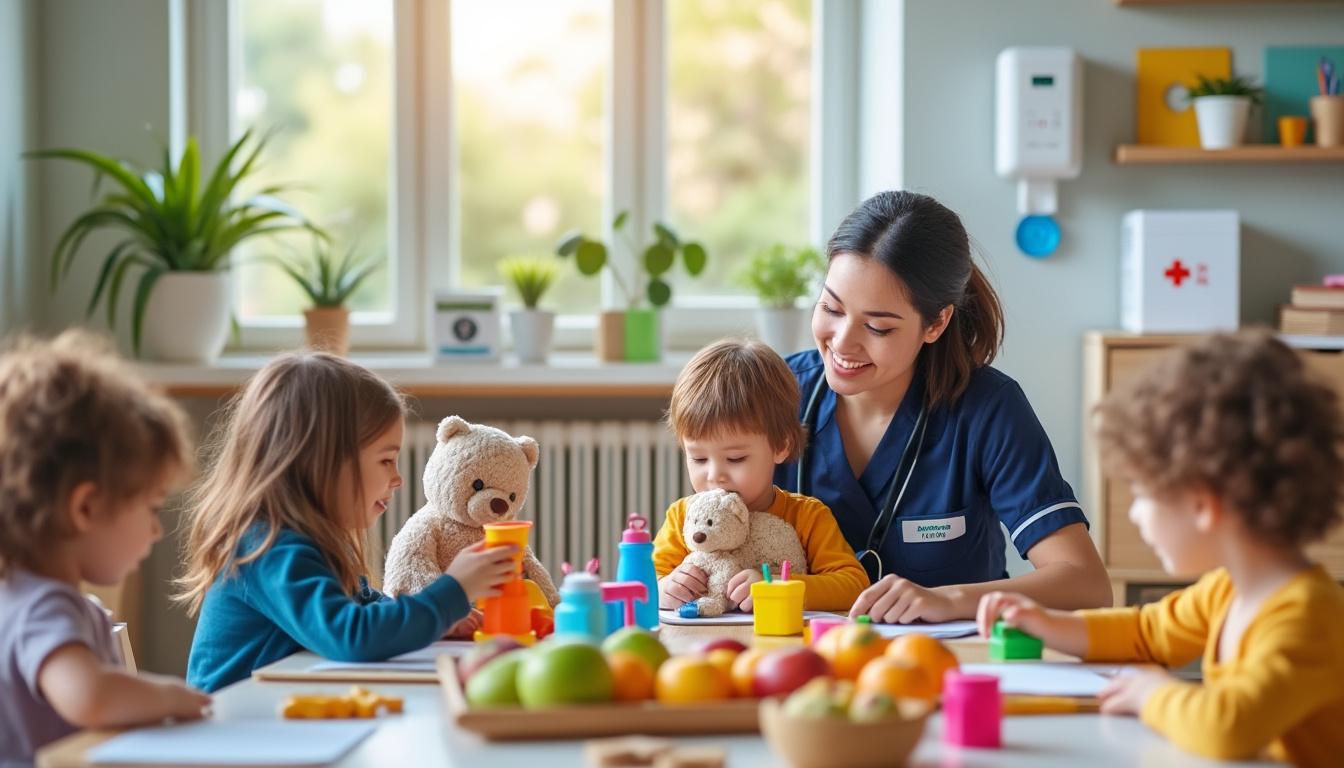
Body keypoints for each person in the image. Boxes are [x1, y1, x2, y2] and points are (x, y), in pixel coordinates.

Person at [978, 331, 1344, 765]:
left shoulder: (1306, 618)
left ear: (1203, 505)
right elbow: (1147, 633)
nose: (1134, 513)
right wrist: (1045, 622)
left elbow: (1227, 727)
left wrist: (1154, 693)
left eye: (1142, 493)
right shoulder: (1228, 591)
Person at [775, 190, 1111, 623]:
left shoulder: (988, 410)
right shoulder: (777, 395)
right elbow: (709, 539)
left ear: (936, 323)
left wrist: (952, 600)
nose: (841, 342)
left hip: (948, 668)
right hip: (804, 660)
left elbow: (1086, 584)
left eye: (877, 327)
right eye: (831, 308)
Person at [179, 351, 518, 692]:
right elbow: (352, 634)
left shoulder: (307, 540)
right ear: (319, 462)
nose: (398, 479)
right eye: (386, 460)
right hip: (231, 731)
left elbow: (366, 607)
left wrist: (435, 622)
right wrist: (452, 592)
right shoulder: (268, 548)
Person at [0, 332, 210, 765]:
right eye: (151, 507)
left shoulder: (18, 596)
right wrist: (168, 695)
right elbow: (89, 696)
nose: (155, 531)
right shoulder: (46, 607)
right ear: (86, 508)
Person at [654, 339, 869, 612]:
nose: (714, 476)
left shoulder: (807, 517)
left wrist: (779, 587)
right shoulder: (682, 518)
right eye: (698, 458)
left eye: (735, 459)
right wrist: (664, 589)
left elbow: (853, 585)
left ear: (781, 446)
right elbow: (644, 584)